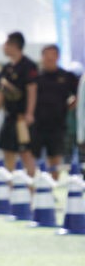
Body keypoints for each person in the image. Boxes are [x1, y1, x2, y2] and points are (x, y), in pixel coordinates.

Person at [0, 32, 37, 176]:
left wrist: (29, 113)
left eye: (6, 44)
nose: (4, 47)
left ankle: (31, 185)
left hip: (22, 118)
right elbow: (0, 92)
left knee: (26, 152)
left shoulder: (28, 65)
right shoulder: (7, 67)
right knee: (8, 151)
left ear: (14, 45)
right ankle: (10, 184)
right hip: (9, 116)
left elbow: (32, 90)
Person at [32, 45, 79, 180]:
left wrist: (69, 106)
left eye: (53, 55)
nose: (50, 58)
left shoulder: (66, 76)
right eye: (47, 55)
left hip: (57, 124)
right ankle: (34, 185)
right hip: (37, 124)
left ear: (57, 57)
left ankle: (53, 185)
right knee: (32, 158)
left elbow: (78, 94)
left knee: (55, 158)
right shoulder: (36, 77)